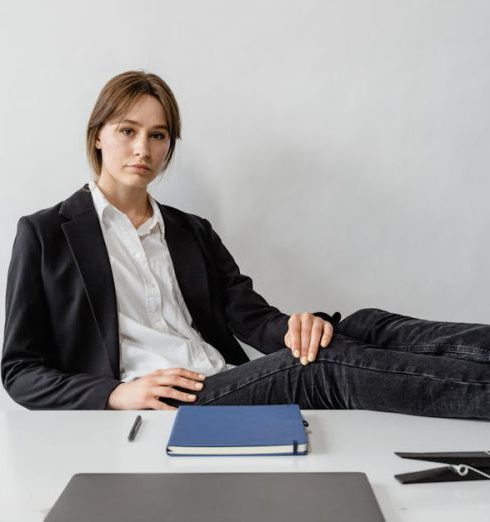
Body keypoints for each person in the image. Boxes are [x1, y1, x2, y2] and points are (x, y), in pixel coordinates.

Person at [2, 71, 489, 419]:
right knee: (320, 369)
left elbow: (252, 319)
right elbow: (19, 370)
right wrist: (114, 394)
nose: (142, 149)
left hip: (225, 378)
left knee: (362, 324)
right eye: (127, 131)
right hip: (179, 400)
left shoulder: (190, 230)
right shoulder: (46, 233)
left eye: (158, 135)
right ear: (98, 137)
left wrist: (299, 328)